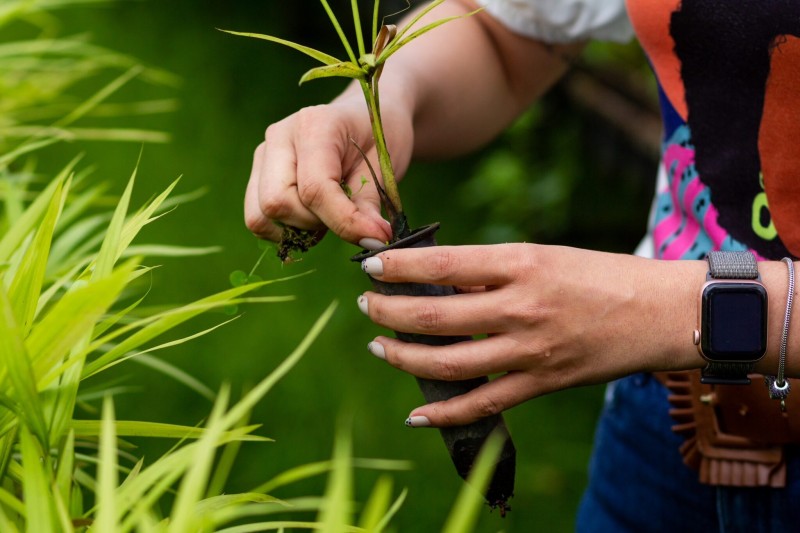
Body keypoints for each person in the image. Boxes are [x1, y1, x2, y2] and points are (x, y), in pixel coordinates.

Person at [244, 0, 800, 530]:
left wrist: (668, 311)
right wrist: (380, 102)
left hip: (665, 349)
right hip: (671, 422)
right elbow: (503, 31)